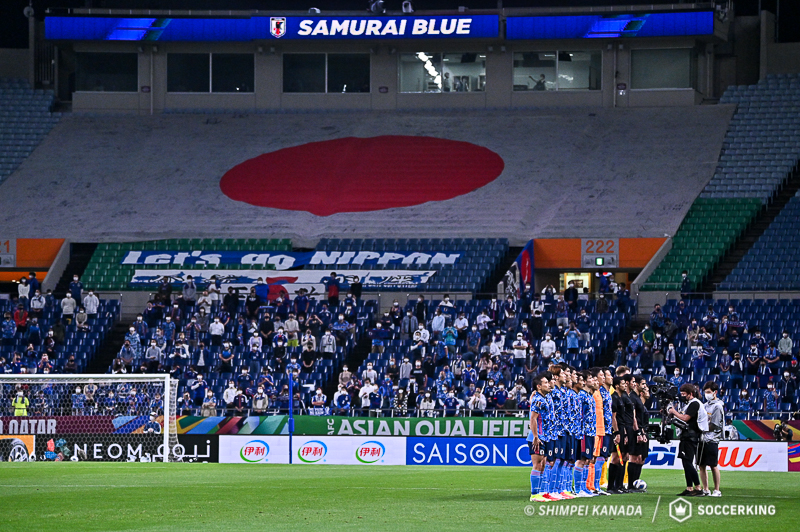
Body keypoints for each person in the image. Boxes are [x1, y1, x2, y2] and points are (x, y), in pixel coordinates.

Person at [668, 383, 707, 496]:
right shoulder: (691, 404)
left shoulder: (694, 403)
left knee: (688, 462)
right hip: (688, 436)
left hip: (690, 437)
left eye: (684, 394)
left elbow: (685, 418)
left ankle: (698, 487)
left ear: (690, 394)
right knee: (686, 462)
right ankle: (689, 487)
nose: (682, 396)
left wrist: (673, 412)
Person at [699, 381, 724, 497]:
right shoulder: (704, 406)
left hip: (712, 439)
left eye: (709, 392)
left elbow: (715, 425)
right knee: (701, 465)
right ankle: (706, 489)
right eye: (705, 392)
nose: (707, 394)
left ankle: (717, 490)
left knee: (713, 465)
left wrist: (701, 427)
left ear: (715, 392)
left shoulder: (717, 406)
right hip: (703, 439)